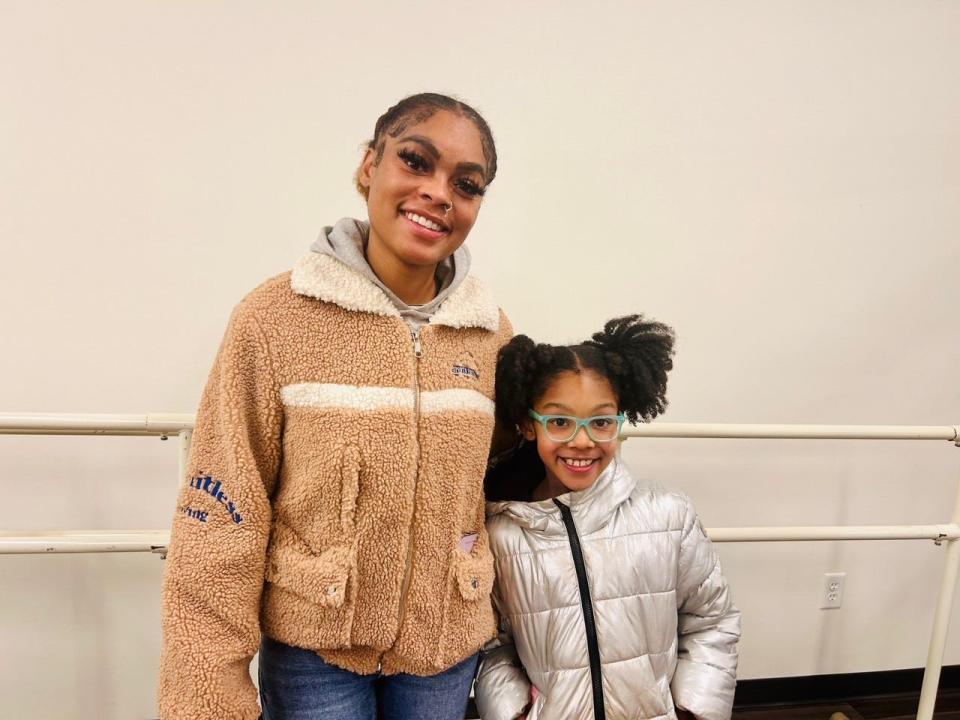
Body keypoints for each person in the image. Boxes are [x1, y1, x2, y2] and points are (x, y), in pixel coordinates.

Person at [158, 92, 513, 720]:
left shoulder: (491, 336)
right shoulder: (273, 320)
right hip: (314, 656)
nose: (439, 193)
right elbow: (221, 514)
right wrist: (208, 693)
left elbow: (510, 485)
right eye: (415, 161)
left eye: (467, 183)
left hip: (443, 651)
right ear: (368, 165)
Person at [475, 316, 740, 720]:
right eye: (560, 421)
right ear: (530, 425)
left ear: (619, 422)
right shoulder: (501, 532)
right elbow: (492, 643)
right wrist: (514, 711)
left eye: (600, 422)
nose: (582, 441)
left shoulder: (669, 513)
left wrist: (693, 710)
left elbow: (711, 620)